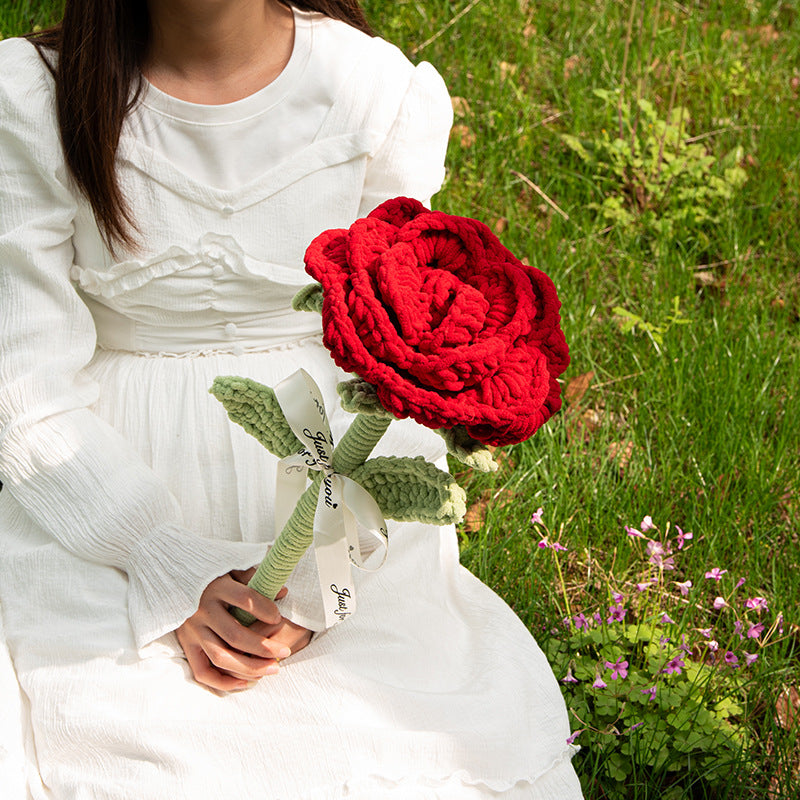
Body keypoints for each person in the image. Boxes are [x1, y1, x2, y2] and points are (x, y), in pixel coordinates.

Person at [0, 0, 583, 797]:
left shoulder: (370, 93)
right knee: (142, 757)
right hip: (102, 497)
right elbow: (23, 380)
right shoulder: (36, 97)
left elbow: (404, 372)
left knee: (391, 752)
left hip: (337, 489)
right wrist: (161, 560)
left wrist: (318, 584)